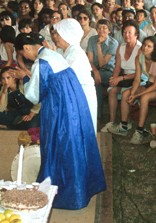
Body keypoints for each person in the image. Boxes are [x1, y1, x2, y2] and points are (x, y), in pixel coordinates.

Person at [14, 32, 106, 210]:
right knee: (75, 143)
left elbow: (34, 95)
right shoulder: (54, 55)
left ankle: (66, 193)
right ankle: (84, 186)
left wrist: (24, 77)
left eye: (22, 54)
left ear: (26, 48)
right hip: (74, 103)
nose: (25, 57)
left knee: (59, 145)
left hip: (59, 109)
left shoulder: (41, 63)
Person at [109, 36, 156, 144]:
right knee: (126, 94)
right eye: (144, 45)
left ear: (154, 49)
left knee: (144, 98)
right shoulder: (139, 58)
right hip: (149, 84)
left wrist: (137, 95)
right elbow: (137, 79)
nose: (145, 48)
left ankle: (140, 131)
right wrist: (132, 94)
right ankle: (124, 126)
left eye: (149, 46)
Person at [53, 18, 98, 133]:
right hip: (73, 95)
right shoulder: (65, 51)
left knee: (80, 132)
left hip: (81, 97)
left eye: (57, 34)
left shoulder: (75, 53)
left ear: (65, 35)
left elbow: (63, 79)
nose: (55, 37)